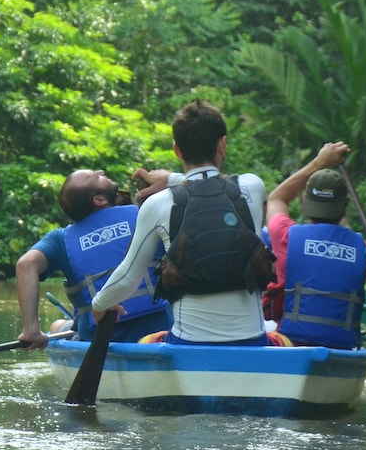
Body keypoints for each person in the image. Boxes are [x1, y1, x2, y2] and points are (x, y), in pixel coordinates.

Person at [90, 99, 274, 345]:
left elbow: (127, 277)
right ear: (223, 145)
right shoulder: (253, 186)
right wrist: (170, 178)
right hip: (252, 341)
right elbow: (215, 183)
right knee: (279, 338)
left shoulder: (157, 205)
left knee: (149, 341)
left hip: (188, 344)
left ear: (177, 150)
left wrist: (99, 305)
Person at [15, 169, 172, 350]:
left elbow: (25, 264)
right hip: (158, 332)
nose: (102, 171)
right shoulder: (147, 214)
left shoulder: (60, 240)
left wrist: (31, 330)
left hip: (96, 340)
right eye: (97, 176)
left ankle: (64, 329)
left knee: (57, 326)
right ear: (99, 200)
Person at [264, 143, 366, 349]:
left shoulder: (286, 236)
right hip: (340, 347)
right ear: (345, 205)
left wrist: (320, 162)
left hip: (291, 344)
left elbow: (276, 198)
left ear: (303, 202)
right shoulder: (364, 250)